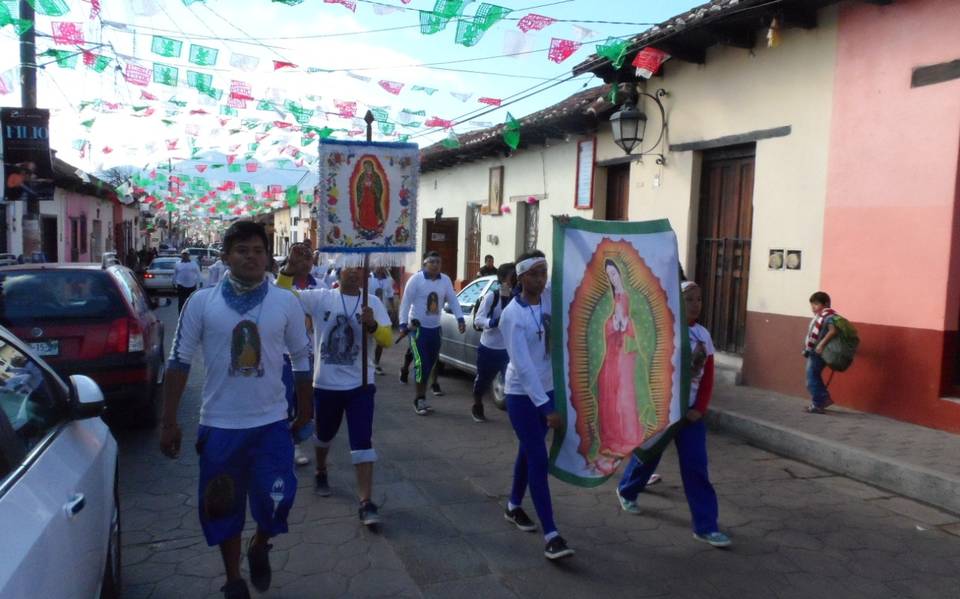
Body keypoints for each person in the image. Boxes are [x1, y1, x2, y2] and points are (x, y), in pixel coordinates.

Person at [159, 221, 313, 599]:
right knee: (222, 504)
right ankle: (233, 579)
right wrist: (169, 421)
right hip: (220, 424)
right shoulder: (201, 302)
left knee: (279, 498)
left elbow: (303, 357)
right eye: (242, 250)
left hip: (272, 423)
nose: (251, 256)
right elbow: (178, 361)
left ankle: (260, 544)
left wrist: (306, 409)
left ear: (268, 256)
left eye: (258, 250)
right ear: (225, 256)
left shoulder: (285, 302)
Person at [277, 246, 393, 526]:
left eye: (357, 267)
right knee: (324, 435)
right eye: (348, 267)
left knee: (362, 441)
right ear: (339, 270)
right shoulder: (321, 298)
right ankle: (320, 470)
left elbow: (387, 339)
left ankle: (365, 501)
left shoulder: (372, 302)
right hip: (326, 383)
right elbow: (282, 297)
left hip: (361, 385)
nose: (353, 272)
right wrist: (289, 271)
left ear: (363, 271)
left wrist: (373, 325)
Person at [615, 281, 731, 549]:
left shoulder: (703, 335)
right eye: (689, 299)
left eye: (699, 299)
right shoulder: (663, 329)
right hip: (663, 411)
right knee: (648, 456)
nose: (696, 304)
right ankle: (626, 490)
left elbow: (708, 377)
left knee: (696, 467)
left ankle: (706, 526)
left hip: (690, 416)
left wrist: (699, 409)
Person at [500, 250, 573, 560]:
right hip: (522, 395)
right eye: (535, 274)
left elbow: (566, 274)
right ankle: (552, 534)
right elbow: (524, 366)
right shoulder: (511, 316)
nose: (542, 279)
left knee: (528, 452)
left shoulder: (547, 299)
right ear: (521, 278)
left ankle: (514, 505)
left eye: (544, 273)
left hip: (548, 389)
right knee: (538, 459)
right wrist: (546, 407)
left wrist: (566, 232)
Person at [397, 251, 464, 415]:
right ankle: (419, 399)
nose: (435, 265)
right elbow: (405, 302)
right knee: (421, 363)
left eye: (438, 262)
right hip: (417, 329)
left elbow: (453, 300)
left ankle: (423, 396)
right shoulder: (416, 279)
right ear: (425, 263)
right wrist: (403, 324)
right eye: (432, 261)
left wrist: (460, 319)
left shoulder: (445, 280)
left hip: (435, 329)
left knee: (431, 364)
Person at [272, 243, 321, 467]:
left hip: (310, 354)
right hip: (284, 355)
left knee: (306, 404)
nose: (305, 263)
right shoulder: (279, 284)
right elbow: (279, 295)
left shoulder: (320, 285)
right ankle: (290, 446)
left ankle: (297, 438)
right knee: (286, 402)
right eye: (300, 259)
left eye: (309, 259)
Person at [471, 262, 516, 423]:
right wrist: (493, 322)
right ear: (503, 279)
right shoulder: (492, 297)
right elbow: (478, 320)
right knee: (483, 380)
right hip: (489, 348)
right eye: (513, 276)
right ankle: (477, 405)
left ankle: (517, 416)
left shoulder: (516, 298)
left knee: (512, 383)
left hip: (508, 350)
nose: (515, 279)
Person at [804, 291, 838, 414]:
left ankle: (819, 403)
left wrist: (821, 344)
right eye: (812, 304)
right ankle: (821, 400)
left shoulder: (828, 316)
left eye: (816, 304)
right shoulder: (821, 316)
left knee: (811, 379)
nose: (813, 307)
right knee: (814, 377)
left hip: (818, 352)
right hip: (815, 351)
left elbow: (832, 331)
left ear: (826, 304)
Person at [369, 267, 396, 375]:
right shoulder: (369, 278)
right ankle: (368, 362)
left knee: (381, 341)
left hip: (382, 311)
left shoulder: (388, 280)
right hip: (369, 310)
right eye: (378, 265)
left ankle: (376, 363)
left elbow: (390, 295)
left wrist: (393, 309)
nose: (380, 267)